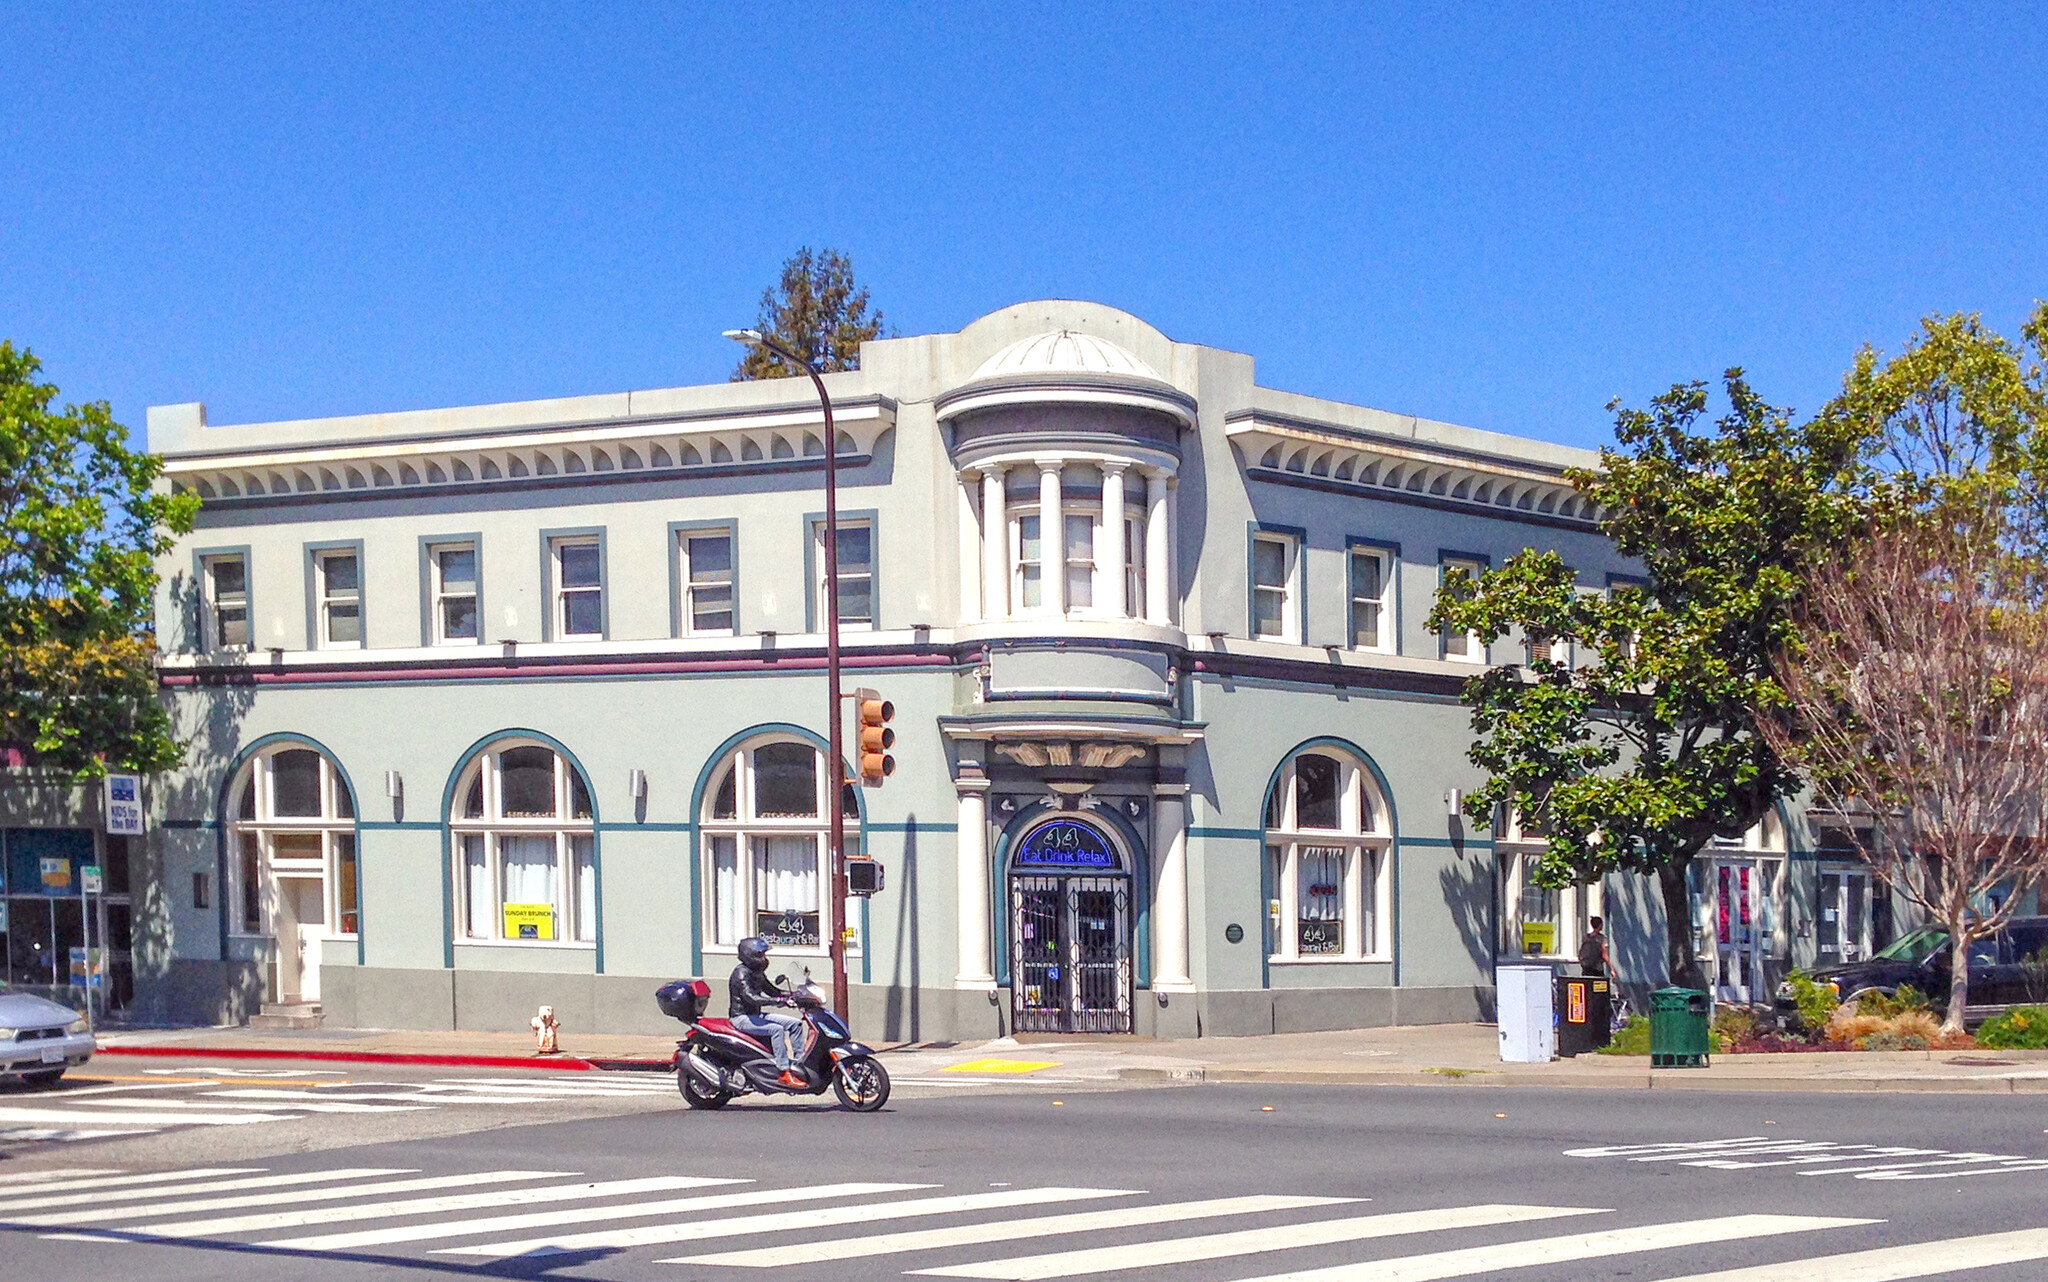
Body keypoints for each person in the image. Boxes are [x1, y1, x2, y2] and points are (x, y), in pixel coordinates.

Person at [729, 936, 807, 1089]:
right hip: (741, 1018)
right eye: (761, 955)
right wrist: (779, 1001)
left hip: (755, 1016)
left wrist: (797, 995)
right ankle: (784, 1072)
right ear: (749, 954)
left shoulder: (757, 972)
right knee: (776, 1029)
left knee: (795, 1023)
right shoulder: (741, 973)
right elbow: (751, 998)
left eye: (764, 955)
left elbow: (772, 991)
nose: (764, 958)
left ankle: (800, 1063)